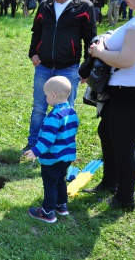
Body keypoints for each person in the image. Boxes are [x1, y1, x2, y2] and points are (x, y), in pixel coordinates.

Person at [82, 0, 135, 210]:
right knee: (106, 132)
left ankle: (124, 198)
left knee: (124, 145)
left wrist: (100, 52)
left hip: (129, 92)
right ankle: (110, 183)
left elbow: (126, 60)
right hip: (123, 90)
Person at [22, 0, 97, 153]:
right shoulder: (45, 5)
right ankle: (33, 145)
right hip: (43, 66)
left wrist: (86, 67)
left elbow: (90, 39)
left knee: (65, 111)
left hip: (69, 68)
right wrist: (33, 52)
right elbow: (37, 32)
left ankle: (63, 147)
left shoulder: (85, 7)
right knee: (39, 108)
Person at [24, 76, 79, 223]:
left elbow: (48, 140)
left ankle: (47, 212)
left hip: (53, 159)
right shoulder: (71, 112)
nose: (46, 98)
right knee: (60, 180)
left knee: (50, 184)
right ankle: (61, 206)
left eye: (46, 95)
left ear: (53, 96)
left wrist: (35, 151)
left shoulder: (54, 116)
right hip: (67, 157)